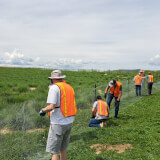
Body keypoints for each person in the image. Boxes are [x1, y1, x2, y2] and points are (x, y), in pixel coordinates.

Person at [39, 70, 77, 160]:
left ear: (53, 79)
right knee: (63, 149)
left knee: (54, 152)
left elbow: (51, 106)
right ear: (61, 78)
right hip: (69, 121)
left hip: (58, 123)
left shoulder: (54, 88)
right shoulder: (69, 87)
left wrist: (42, 110)